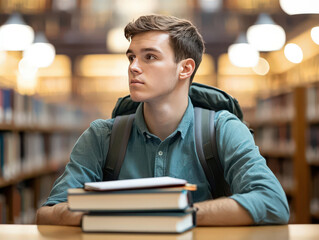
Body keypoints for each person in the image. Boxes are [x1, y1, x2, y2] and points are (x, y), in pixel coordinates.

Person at [36, 14, 289, 226]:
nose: (134, 67)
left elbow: (273, 202)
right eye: (131, 57)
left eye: (150, 57)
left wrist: (179, 214)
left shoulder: (222, 129)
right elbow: (48, 212)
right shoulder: (102, 136)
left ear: (185, 68)